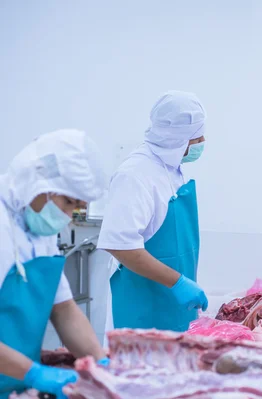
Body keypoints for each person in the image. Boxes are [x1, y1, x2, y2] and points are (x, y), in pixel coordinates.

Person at [0, 130, 108, 399]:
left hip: (14, 383)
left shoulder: (39, 230)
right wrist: (35, 374)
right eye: (68, 202)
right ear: (37, 183)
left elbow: (64, 311)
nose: (68, 215)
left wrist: (100, 365)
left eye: (78, 207)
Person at [98, 91, 208, 337]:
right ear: (181, 138)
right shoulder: (135, 174)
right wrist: (177, 283)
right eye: (198, 136)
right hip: (142, 308)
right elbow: (121, 246)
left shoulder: (173, 170)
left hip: (171, 305)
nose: (203, 141)